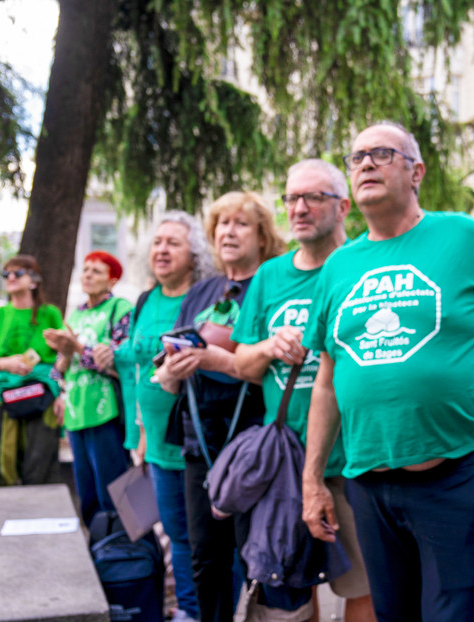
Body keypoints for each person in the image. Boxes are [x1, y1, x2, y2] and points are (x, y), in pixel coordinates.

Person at [300, 122, 474, 621]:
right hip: (368, 484)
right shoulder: (338, 267)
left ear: (416, 171)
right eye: (356, 157)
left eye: (380, 153)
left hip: (452, 475)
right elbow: (325, 385)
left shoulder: (464, 237)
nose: (366, 163)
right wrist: (312, 482)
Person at [233, 160, 374, 621]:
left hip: (354, 462)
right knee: (293, 583)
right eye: (292, 198)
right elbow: (241, 363)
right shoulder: (270, 277)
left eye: (313, 197)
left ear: (343, 206)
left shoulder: (364, 263)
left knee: (364, 588)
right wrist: (270, 346)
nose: (299, 208)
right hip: (287, 466)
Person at [154, 191, 284, 621]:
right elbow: (172, 365)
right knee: (204, 556)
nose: (228, 231)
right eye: (221, 224)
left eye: (241, 223)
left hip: (252, 439)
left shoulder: (272, 283)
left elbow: (275, 363)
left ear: (262, 236)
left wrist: (214, 359)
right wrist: (173, 366)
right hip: (200, 442)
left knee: (255, 555)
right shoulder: (203, 290)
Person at [114, 211, 214, 622]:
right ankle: (191, 609)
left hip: (195, 441)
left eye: (173, 243)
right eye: (157, 242)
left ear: (194, 254)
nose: (162, 250)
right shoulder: (145, 299)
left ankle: (203, 608)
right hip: (154, 443)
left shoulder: (208, 297)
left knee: (202, 538)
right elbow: (139, 369)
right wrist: (139, 434)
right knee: (175, 533)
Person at [44, 251, 133, 527]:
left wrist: (77, 347)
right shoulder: (77, 313)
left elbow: (120, 362)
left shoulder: (120, 309)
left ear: (113, 279)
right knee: (87, 493)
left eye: (96, 271)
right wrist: (64, 352)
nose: (88, 275)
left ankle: (124, 555)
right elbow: (62, 368)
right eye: (85, 270)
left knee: (114, 490)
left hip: (105, 411)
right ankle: (97, 550)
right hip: (76, 412)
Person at [0, 254, 65, 487]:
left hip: (42, 392)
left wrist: (61, 394)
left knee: (39, 462)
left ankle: (38, 515)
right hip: (4, 391)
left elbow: (62, 358)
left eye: (18, 273)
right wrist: (6, 364)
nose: (11, 277)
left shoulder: (49, 313)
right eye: (6, 274)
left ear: (33, 281)